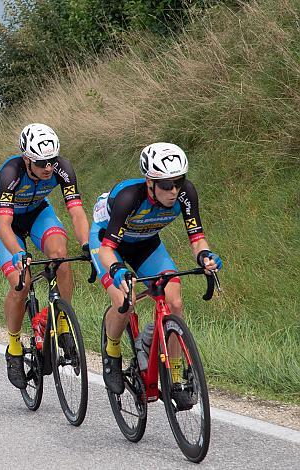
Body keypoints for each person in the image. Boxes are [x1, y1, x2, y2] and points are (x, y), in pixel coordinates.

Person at [90, 142, 222, 409]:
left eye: (178, 182)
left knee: (174, 301)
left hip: (146, 243)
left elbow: (197, 238)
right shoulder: (130, 198)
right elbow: (106, 250)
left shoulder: (186, 194)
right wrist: (117, 271)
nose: (174, 191)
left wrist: (205, 256)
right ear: (150, 183)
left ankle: (174, 376)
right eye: (166, 185)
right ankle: (111, 351)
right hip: (107, 243)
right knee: (124, 300)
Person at [0, 123, 90, 389]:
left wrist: (87, 245)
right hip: (6, 222)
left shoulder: (62, 168)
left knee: (61, 257)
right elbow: (3, 226)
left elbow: (77, 212)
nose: (48, 167)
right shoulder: (10, 174)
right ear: (26, 159)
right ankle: (13, 347)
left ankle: (62, 325)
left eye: (51, 161)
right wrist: (19, 253)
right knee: (20, 283)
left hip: (37, 213)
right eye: (41, 162)